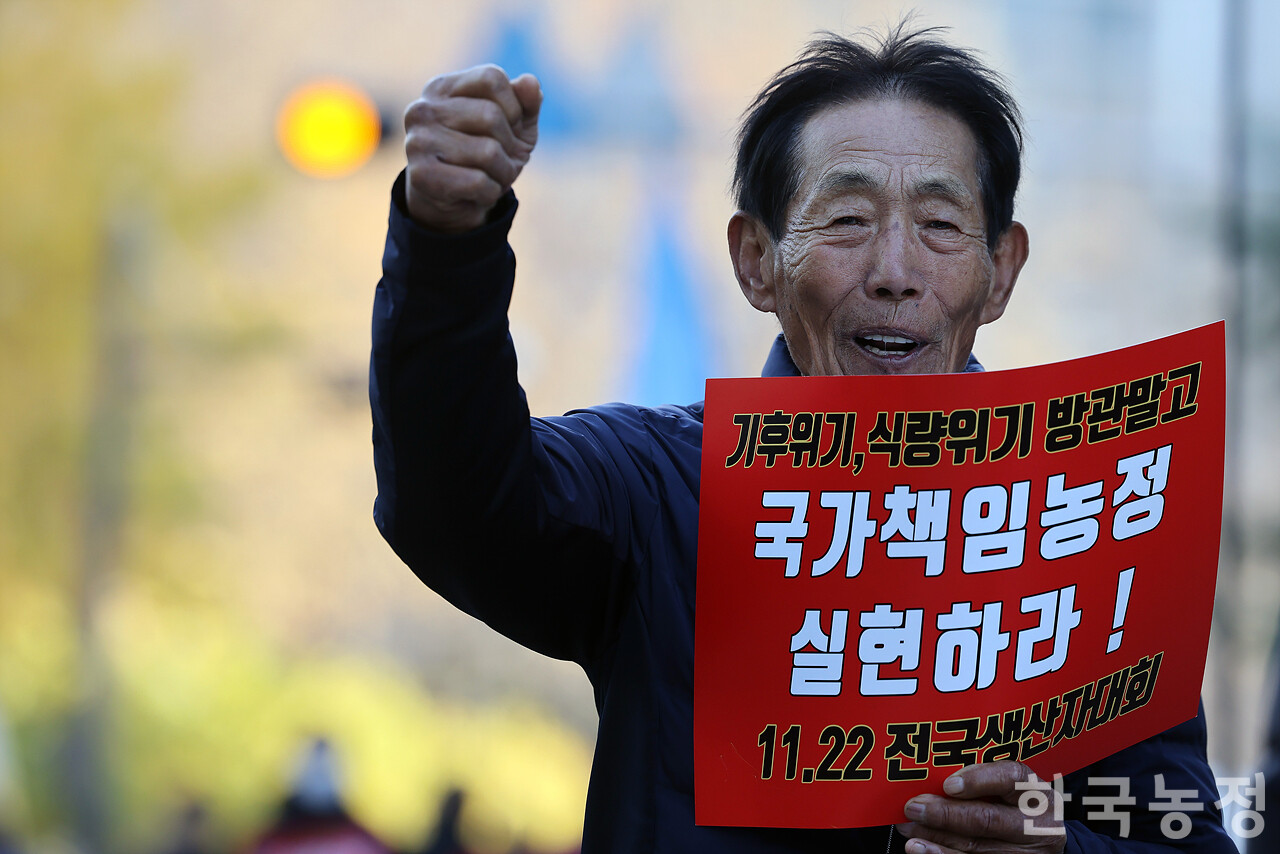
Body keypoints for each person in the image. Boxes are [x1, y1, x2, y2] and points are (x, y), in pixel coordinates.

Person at [370, 25, 1237, 854]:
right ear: (756, 260)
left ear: (1002, 268)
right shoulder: (663, 488)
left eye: (939, 226)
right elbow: (460, 503)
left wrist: (1056, 850)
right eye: (849, 220)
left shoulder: (1093, 535)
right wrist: (447, 244)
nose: (896, 273)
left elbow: (1184, 839)